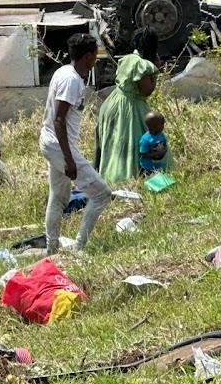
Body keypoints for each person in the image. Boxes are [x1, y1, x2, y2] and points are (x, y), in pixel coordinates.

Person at [40, 33, 113, 255]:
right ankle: (80, 247)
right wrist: (69, 160)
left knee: (59, 197)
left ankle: (52, 248)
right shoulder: (71, 80)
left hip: (55, 143)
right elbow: (59, 119)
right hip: (58, 146)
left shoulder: (64, 72)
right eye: (94, 55)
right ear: (88, 56)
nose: (95, 60)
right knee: (102, 194)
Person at [94, 27, 163, 186]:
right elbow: (146, 91)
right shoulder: (142, 64)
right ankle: (123, 177)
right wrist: (156, 70)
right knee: (131, 141)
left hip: (113, 102)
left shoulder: (128, 58)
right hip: (129, 106)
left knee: (114, 140)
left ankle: (108, 173)